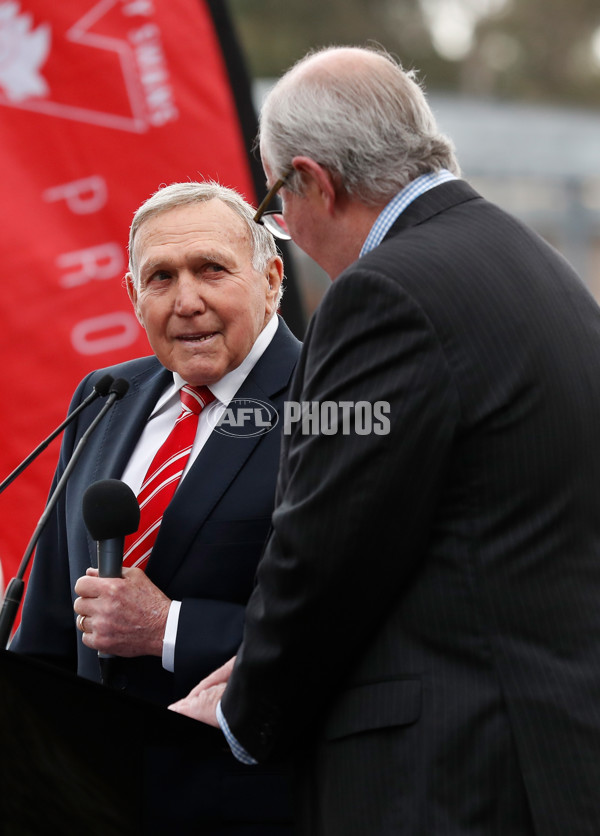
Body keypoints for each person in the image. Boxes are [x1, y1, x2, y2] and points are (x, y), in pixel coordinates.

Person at [170, 46, 600, 835]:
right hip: (548, 758)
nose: (283, 231)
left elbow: (323, 545)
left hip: (448, 779)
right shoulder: (537, 267)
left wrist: (240, 712)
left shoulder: (383, 294)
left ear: (314, 181)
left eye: (273, 205)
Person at [11, 181, 301, 834]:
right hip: (88, 796)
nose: (187, 301)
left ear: (272, 279)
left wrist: (168, 626)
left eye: (211, 270)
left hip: (245, 800)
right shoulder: (104, 395)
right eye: (161, 277)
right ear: (132, 297)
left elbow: (352, 626)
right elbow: (53, 624)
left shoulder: (333, 406)